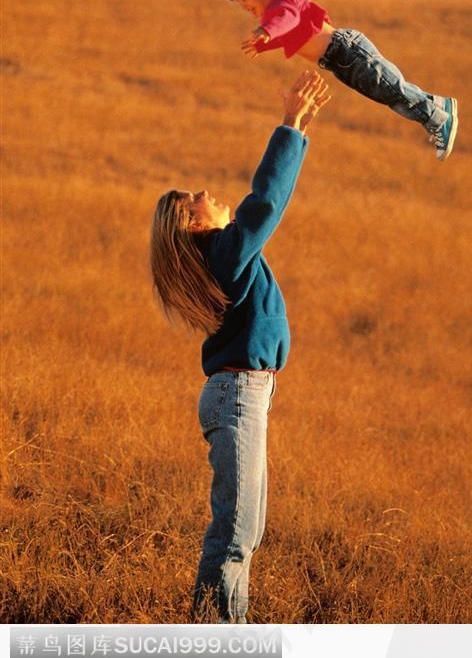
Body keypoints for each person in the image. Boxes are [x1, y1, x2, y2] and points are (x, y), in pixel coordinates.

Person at [150, 70, 331, 623]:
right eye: (193, 199)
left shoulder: (226, 258)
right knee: (234, 532)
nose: (205, 192)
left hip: (245, 395)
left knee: (246, 531)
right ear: (193, 226)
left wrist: (298, 122)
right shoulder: (221, 255)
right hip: (238, 396)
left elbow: (264, 211)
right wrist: (288, 125)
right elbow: (264, 206)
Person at [214, 0, 458, 161]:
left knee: (391, 89)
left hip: (347, 50)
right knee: (386, 92)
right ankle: (438, 105)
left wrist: (266, 31)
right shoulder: (275, 15)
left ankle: (437, 119)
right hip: (338, 61)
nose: (244, 6)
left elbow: (286, 20)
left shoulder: (286, 3)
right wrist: (264, 44)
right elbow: (291, 34)